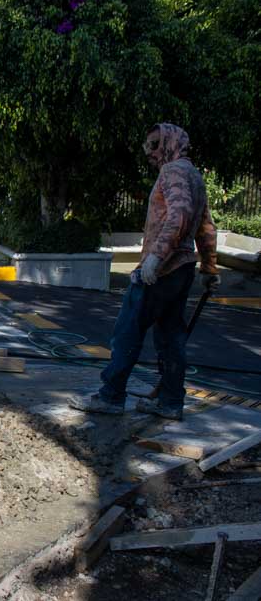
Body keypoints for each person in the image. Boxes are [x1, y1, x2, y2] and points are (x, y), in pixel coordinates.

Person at [71, 123, 220, 420]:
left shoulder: (173, 171)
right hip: (182, 270)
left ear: (168, 142)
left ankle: (111, 396)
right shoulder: (195, 175)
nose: (150, 154)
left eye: (154, 145)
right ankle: (170, 402)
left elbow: (179, 216)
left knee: (128, 332)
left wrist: (154, 258)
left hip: (162, 270)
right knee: (171, 338)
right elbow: (205, 226)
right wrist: (208, 267)